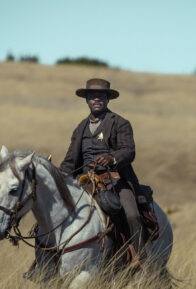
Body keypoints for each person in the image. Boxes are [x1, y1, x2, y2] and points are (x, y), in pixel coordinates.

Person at [59, 78, 145, 263]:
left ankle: (139, 258)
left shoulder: (120, 122)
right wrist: (57, 178)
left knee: (133, 215)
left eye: (101, 96)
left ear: (107, 99)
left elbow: (128, 151)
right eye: (92, 96)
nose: (96, 99)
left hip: (115, 180)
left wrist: (112, 158)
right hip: (83, 180)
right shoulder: (80, 128)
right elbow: (70, 161)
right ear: (87, 100)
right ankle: (44, 261)